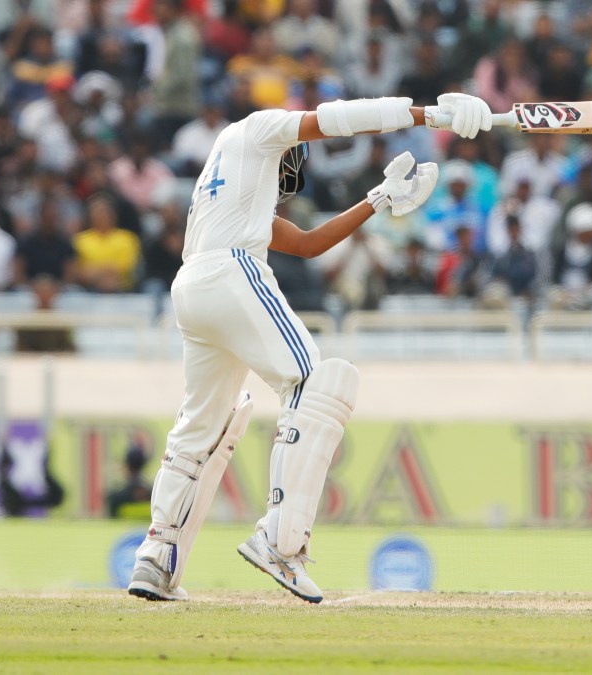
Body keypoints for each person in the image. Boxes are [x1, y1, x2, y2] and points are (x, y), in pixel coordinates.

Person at [127, 92, 492, 603]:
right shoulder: (259, 128)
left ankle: (157, 557)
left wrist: (378, 200)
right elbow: (337, 120)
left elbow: (307, 243)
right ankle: (279, 542)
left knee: (200, 428)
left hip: (192, 291)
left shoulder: (224, 187)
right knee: (317, 382)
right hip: (232, 273)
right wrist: (428, 116)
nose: (282, 188)